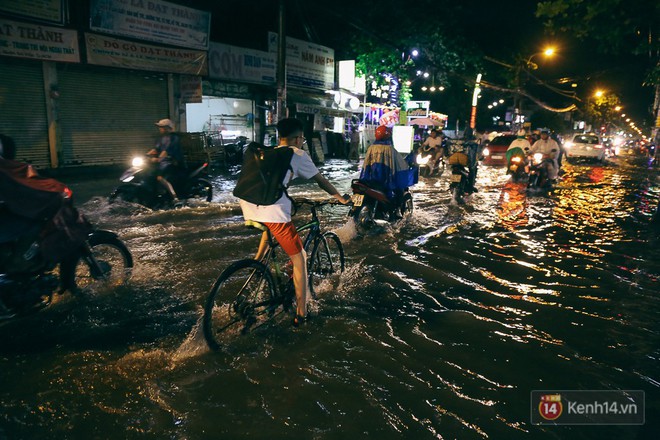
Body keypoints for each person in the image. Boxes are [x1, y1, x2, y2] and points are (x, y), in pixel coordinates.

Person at [237, 118, 349, 326]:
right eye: (302, 139)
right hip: (272, 210)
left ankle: (253, 272)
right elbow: (321, 180)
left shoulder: (269, 153)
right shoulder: (297, 154)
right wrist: (341, 198)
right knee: (300, 259)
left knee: (267, 236)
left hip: (250, 205)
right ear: (298, 138)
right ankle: (301, 313)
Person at [359, 125, 413, 213]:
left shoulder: (371, 148)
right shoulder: (390, 149)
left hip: (370, 180)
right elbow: (400, 164)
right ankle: (394, 210)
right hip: (385, 181)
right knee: (397, 192)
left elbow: (366, 165)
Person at [147, 119, 184, 205]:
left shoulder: (174, 138)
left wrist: (159, 158)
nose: (160, 129)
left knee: (160, 177)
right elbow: (155, 149)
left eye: (162, 127)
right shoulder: (161, 138)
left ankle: (175, 197)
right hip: (165, 162)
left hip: (175, 162)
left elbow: (167, 151)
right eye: (159, 127)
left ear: (167, 128)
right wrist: (146, 155)